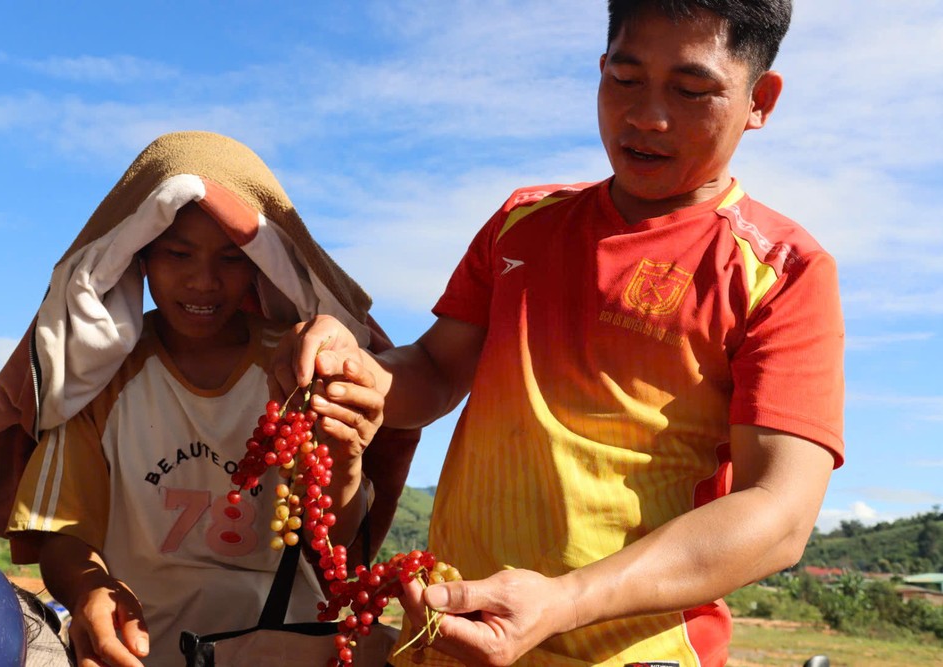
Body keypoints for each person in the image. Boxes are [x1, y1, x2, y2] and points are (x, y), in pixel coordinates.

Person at [280, 1, 844, 665]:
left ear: (760, 99)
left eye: (692, 90)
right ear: (601, 70)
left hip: (636, 654)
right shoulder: (523, 222)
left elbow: (778, 513)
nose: (646, 117)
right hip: (451, 637)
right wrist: (363, 373)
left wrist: (564, 599)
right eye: (625, 80)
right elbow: (433, 371)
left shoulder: (782, 269)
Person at [0, 131, 418, 667]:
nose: (203, 282)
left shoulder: (298, 369)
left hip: (290, 645)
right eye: (178, 253)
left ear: (260, 264)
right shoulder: (101, 379)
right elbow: (65, 536)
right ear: (138, 257)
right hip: (141, 649)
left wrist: (344, 463)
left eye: (230, 259)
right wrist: (91, 589)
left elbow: (332, 551)